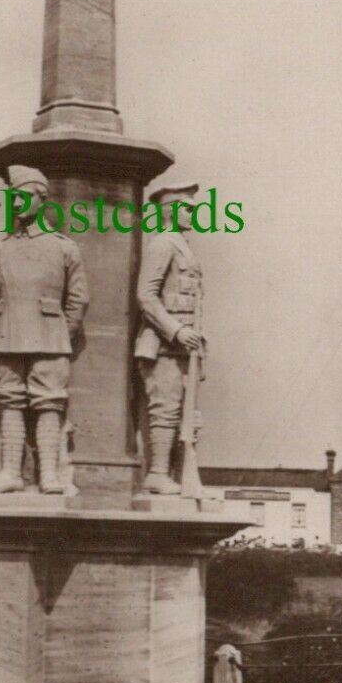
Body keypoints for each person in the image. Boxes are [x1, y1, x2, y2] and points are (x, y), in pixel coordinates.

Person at [0, 164, 89, 494]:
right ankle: (10, 473)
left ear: (42, 198)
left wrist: (60, 333)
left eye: (24, 197)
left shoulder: (64, 247)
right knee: (9, 399)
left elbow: (79, 299)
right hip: (8, 335)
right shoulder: (2, 248)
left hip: (49, 337)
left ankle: (50, 477)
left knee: (49, 402)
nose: (17, 204)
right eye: (13, 198)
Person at [134, 179, 204, 495]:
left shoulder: (183, 246)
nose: (192, 213)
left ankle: (174, 474)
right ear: (170, 210)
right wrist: (176, 331)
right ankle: (158, 473)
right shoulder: (162, 244)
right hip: (163, 344)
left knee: (182, 414)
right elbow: (146, 296)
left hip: (184, 347)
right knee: (164, 409)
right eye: (186, 208)